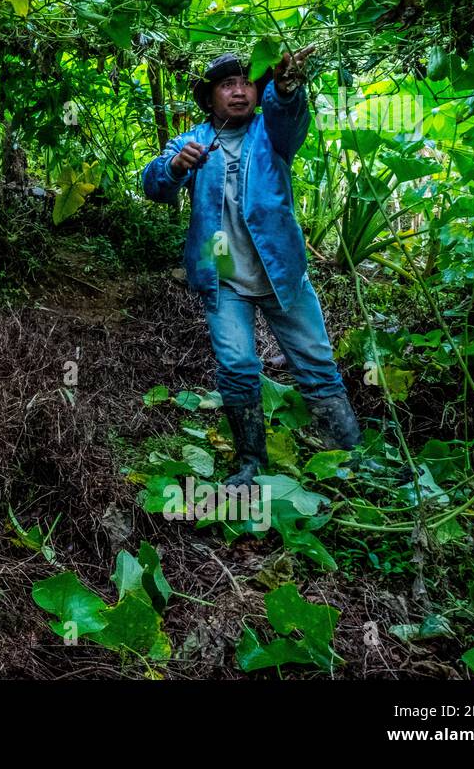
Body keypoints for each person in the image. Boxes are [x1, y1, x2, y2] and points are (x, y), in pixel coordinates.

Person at [141, 47, 361, 486]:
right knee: (237, 365)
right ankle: (250, 463)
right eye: (227, 85)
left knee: (316, 362)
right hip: (223, 278)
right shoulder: (192, 141)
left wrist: (286, 88)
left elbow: (290, 117)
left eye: (247, 83)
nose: (239, 91)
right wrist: (174, 167)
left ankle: (350, 457)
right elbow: (153, 184)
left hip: (282, 272)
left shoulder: (270, 133)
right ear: (210, 98)